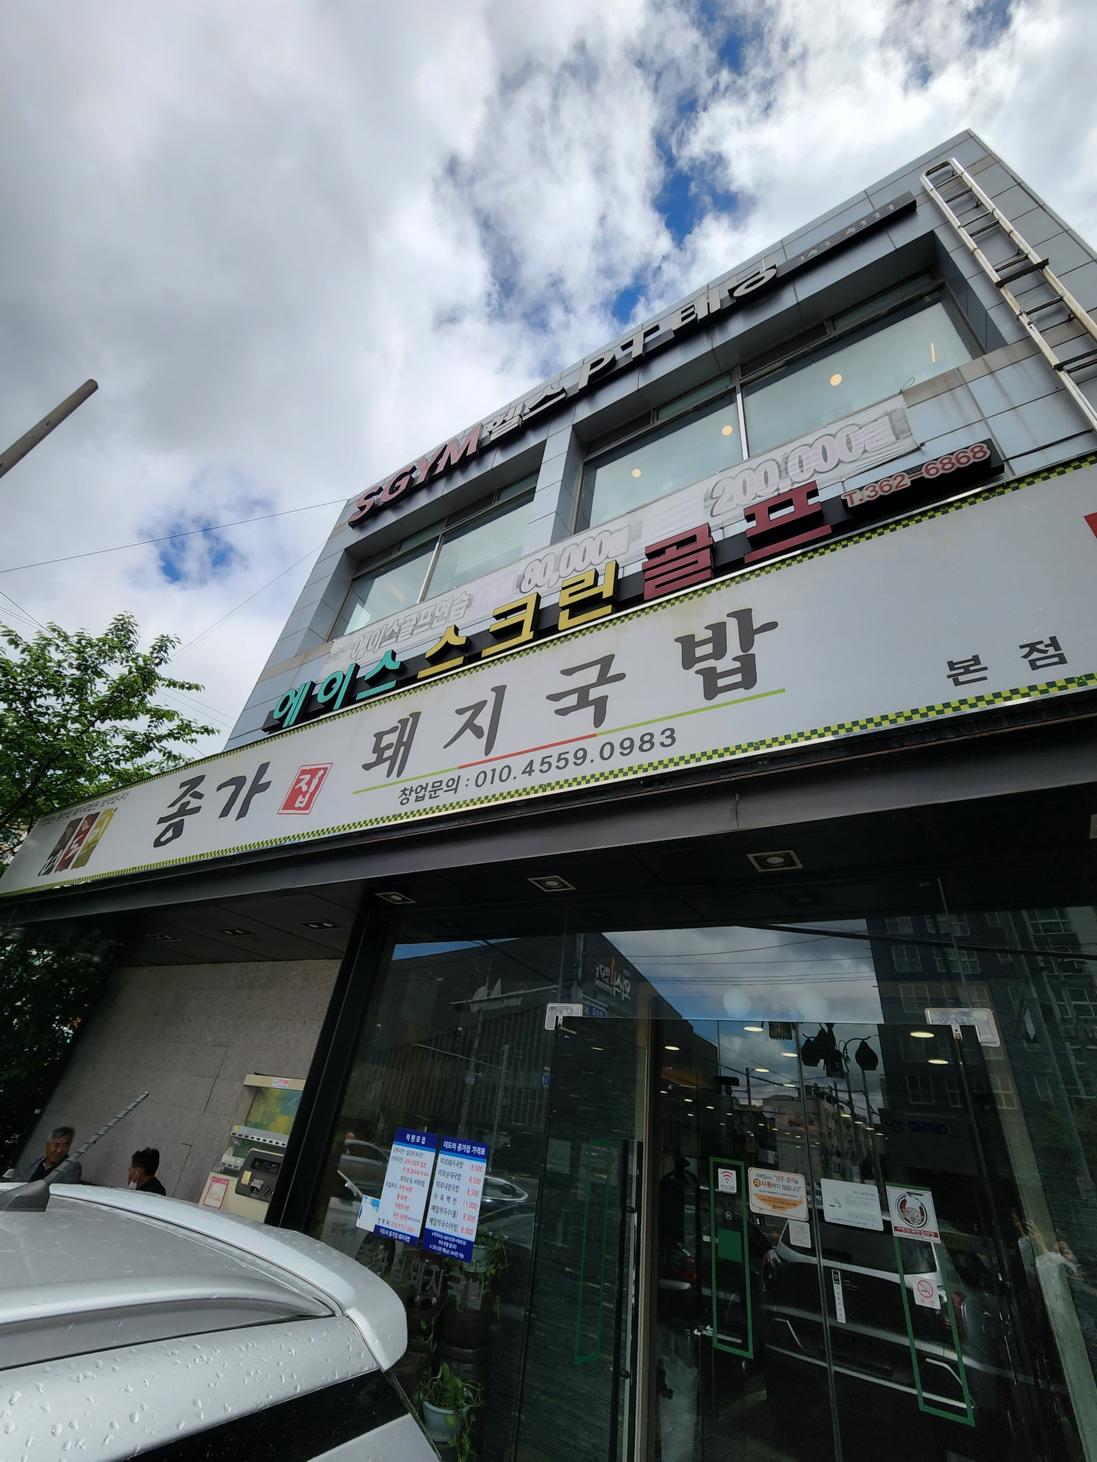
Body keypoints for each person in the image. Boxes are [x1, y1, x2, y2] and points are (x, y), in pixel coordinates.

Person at [18, 1126, 83, 1183]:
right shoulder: (36, 1162)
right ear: (47, 1146)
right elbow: (19, 1182)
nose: (59, 1150)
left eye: (65, 1146)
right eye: (57, 1145)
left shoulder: (71, 1166)